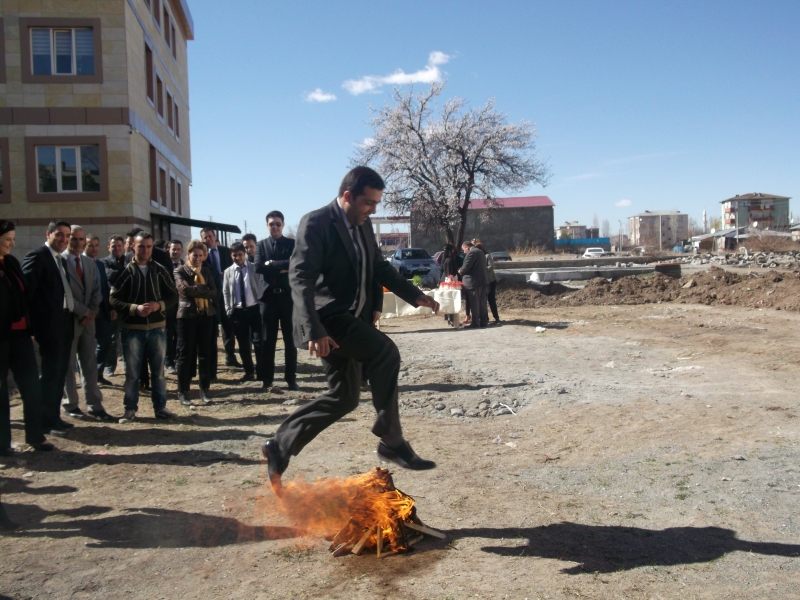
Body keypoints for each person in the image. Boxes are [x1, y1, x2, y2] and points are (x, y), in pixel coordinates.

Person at [261, 166, 440, 493]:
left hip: (350, 321)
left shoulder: (363, 224)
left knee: (344, 397)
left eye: (376, 204)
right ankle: (392, 440)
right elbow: (299, 278)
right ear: (347, 196)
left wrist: (416, 295)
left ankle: (279, 446)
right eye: (369, 203)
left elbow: (379, 266)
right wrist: (313, 330)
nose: (373, 209)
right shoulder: (315, 223)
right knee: (386, 352)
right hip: (328, 319)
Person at [110, 232, 178, 422]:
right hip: (132, 330)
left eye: (149, 247)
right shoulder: (126, 271)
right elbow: (113, 298)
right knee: (132, 374)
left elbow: (173, 295)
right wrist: (134, 308)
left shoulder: (159, 269)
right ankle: (130, 409)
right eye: (141, 246)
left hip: (157, 328)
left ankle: (160, 408)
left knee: (158, 373)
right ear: (133, 247)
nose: (145, 250)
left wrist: (159, 306)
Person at [0, 220, 53, 453]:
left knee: (31, 386)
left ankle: (35, 435)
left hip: (21, 335)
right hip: (1, 338)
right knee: (2, 391)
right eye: (7, 240)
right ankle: (3, 444)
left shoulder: (11, 262)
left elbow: (24, 295)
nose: (12, 244)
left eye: (13, 239)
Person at [21, 220, 76, 437]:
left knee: (60, 372)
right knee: (51, 374)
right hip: (48, 327)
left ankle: (54, 417)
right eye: (60, 234)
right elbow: (26, 294)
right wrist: (31, 326)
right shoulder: (38, 257)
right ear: (49, 234)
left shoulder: (60, 260)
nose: (64, 239)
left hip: (64, 324)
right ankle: (46, 420)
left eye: (67, 235)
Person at [61, 226, 113, 421]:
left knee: (89, 364)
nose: (78, 243)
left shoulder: (88, 263)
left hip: (88, 323)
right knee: (68, 366)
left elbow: (97, 291)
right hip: (69, 322)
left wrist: (92, 312)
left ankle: (94, 404)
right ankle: (71, 404)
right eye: (73, 239)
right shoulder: (60, 261)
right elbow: (64, 294)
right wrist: (85, 311)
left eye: (81, 239)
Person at [254, 211, 298, 391]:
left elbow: (294, 264)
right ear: (267, 225)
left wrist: (271, 264)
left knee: (290, 340)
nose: (275, 227)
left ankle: (291, 379)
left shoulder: (292, 244)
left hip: (288, 298)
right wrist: (281, 266)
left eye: (278, 224)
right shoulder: (261, 245)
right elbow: (258, 267)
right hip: (268, 298)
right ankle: (267, 379)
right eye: (271, 224)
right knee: (267, 341)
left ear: (283, 225)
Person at [174, 240, 217, 405]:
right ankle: (183, 392)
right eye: (195, 255)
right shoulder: (180, 271)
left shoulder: (206, 271)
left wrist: (195, 289)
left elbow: (213, 292)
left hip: (206, 316)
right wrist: (203, 289)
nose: (198, 258)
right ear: (188, 255)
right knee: (185, 355)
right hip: (187, 317)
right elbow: (183, 290)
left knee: (205, 355)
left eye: (201, 255)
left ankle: (205, 391)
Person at [223, 242, 264, 383]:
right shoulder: (228, 272)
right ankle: (249, 371)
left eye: (240, 255)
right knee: (243, 345)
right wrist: (229, 310)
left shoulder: (253, 268)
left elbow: (261, 284)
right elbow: (226, 291)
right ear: (231, 255)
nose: (237, 258)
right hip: (238, 312)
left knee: (258, 342)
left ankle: (261, 371)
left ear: (244, 254)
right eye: (234, 255)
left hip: (254, 310)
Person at [200, 227, 237, 372]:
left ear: (215, 237)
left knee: (228, 326)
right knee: (212, 329)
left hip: (227, 293)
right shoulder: (202, 254)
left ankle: (230, 356)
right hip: (211, 296)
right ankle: (212, 362)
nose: (207, 239)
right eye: (204, 237)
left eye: (209, 236)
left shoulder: (224, 251)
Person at [85, 234, 116, 386]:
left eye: (96, 245)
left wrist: (110, 307)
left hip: (102, 311)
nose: (94, 248)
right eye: (91, 245)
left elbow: (105, 288)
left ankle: (98, 373)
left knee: (106, 342)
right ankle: (88, 376)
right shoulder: (79, 263)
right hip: (85, 312)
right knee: (86, 346)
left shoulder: (99, 265)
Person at [101, 234, 126, 378]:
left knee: (128, 337)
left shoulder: (129, 259)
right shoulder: (104, 262)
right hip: (114, 306)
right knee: (112, 338)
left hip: (130, 306)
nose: (117, 248)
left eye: (119, 246)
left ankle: (127, 364)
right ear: (108, 247)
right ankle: (110, 366)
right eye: (113, 246)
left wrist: (115, 273)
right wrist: (111, 307)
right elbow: (108, 281)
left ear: (123, 247)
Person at [459, 240, 489, 328]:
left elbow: (466, 266)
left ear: (467, 247)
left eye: (464, 250)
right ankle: (483, 322)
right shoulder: (481, 252)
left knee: (474, 303)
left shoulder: (472, 253)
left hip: (473, 282)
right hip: (482, 281)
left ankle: (475, 323)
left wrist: (460, 271)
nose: (464, 252)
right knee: (482, 303)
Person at [165, 239, 184, 374]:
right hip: (167, 307)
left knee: (180, 334)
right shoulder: (163, 266)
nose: (176, 252)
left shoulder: (185, 266)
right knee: (168, 334)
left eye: (178, 249)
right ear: (168, 250)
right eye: (173, 249)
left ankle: (178, 360)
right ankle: (168, 361)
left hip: (182, 306)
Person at [472, 240, 501, 324]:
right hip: (482, 282)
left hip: (490, 280)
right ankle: (485, 318)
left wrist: (482, 268)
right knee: (483, 301)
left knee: (491, 299)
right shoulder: (475, 257)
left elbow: (491, 267)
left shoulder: (487, 256)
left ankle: (496, 317)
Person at [439, 243, 458, 326]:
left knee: (448, 299)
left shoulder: (445, 259)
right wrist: (453, 282)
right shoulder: (449, 260)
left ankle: (449, 318)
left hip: (445, 280)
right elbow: (450, 274)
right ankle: (451, 319)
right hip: (450, 281)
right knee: (451, 299)